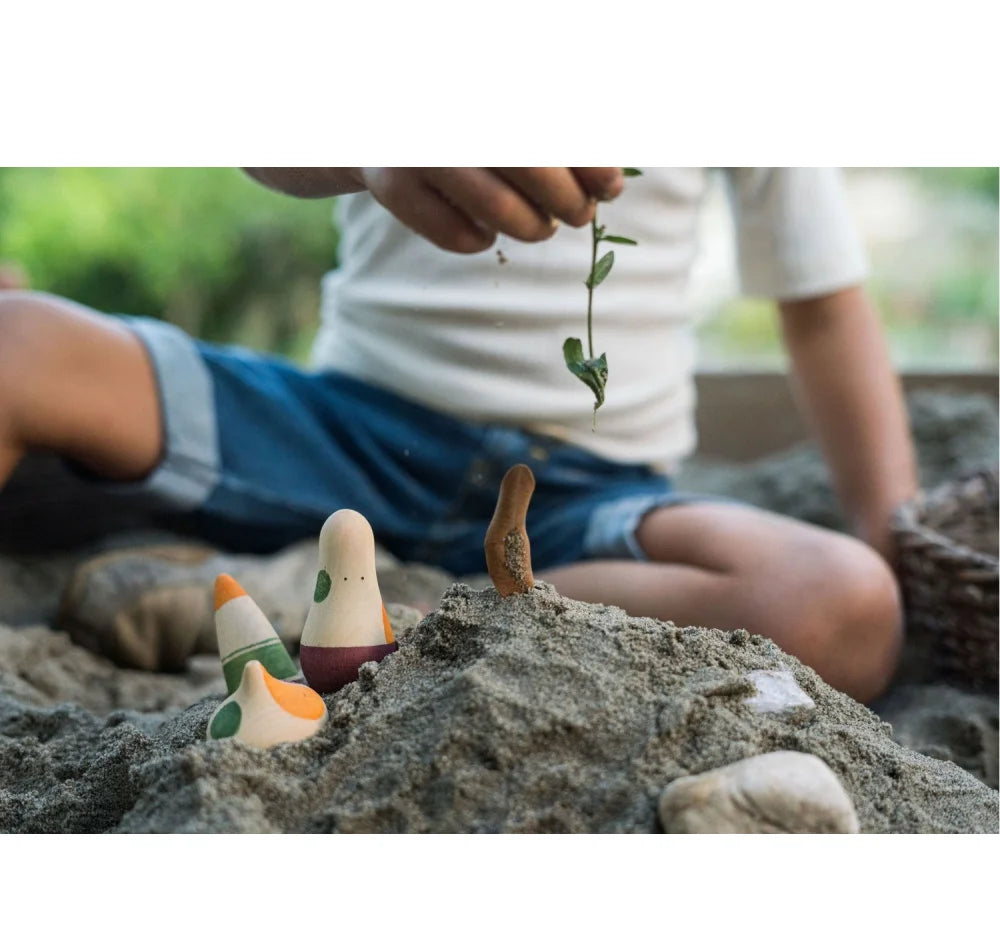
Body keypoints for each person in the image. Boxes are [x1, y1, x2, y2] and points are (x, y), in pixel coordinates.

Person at [0, 168, 918, 702]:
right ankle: (350, 605)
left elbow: (825, 305)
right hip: (343, 433)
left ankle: (335, 610)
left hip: (584, 500)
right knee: (18, 346)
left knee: (845, 604)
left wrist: (897, 538)